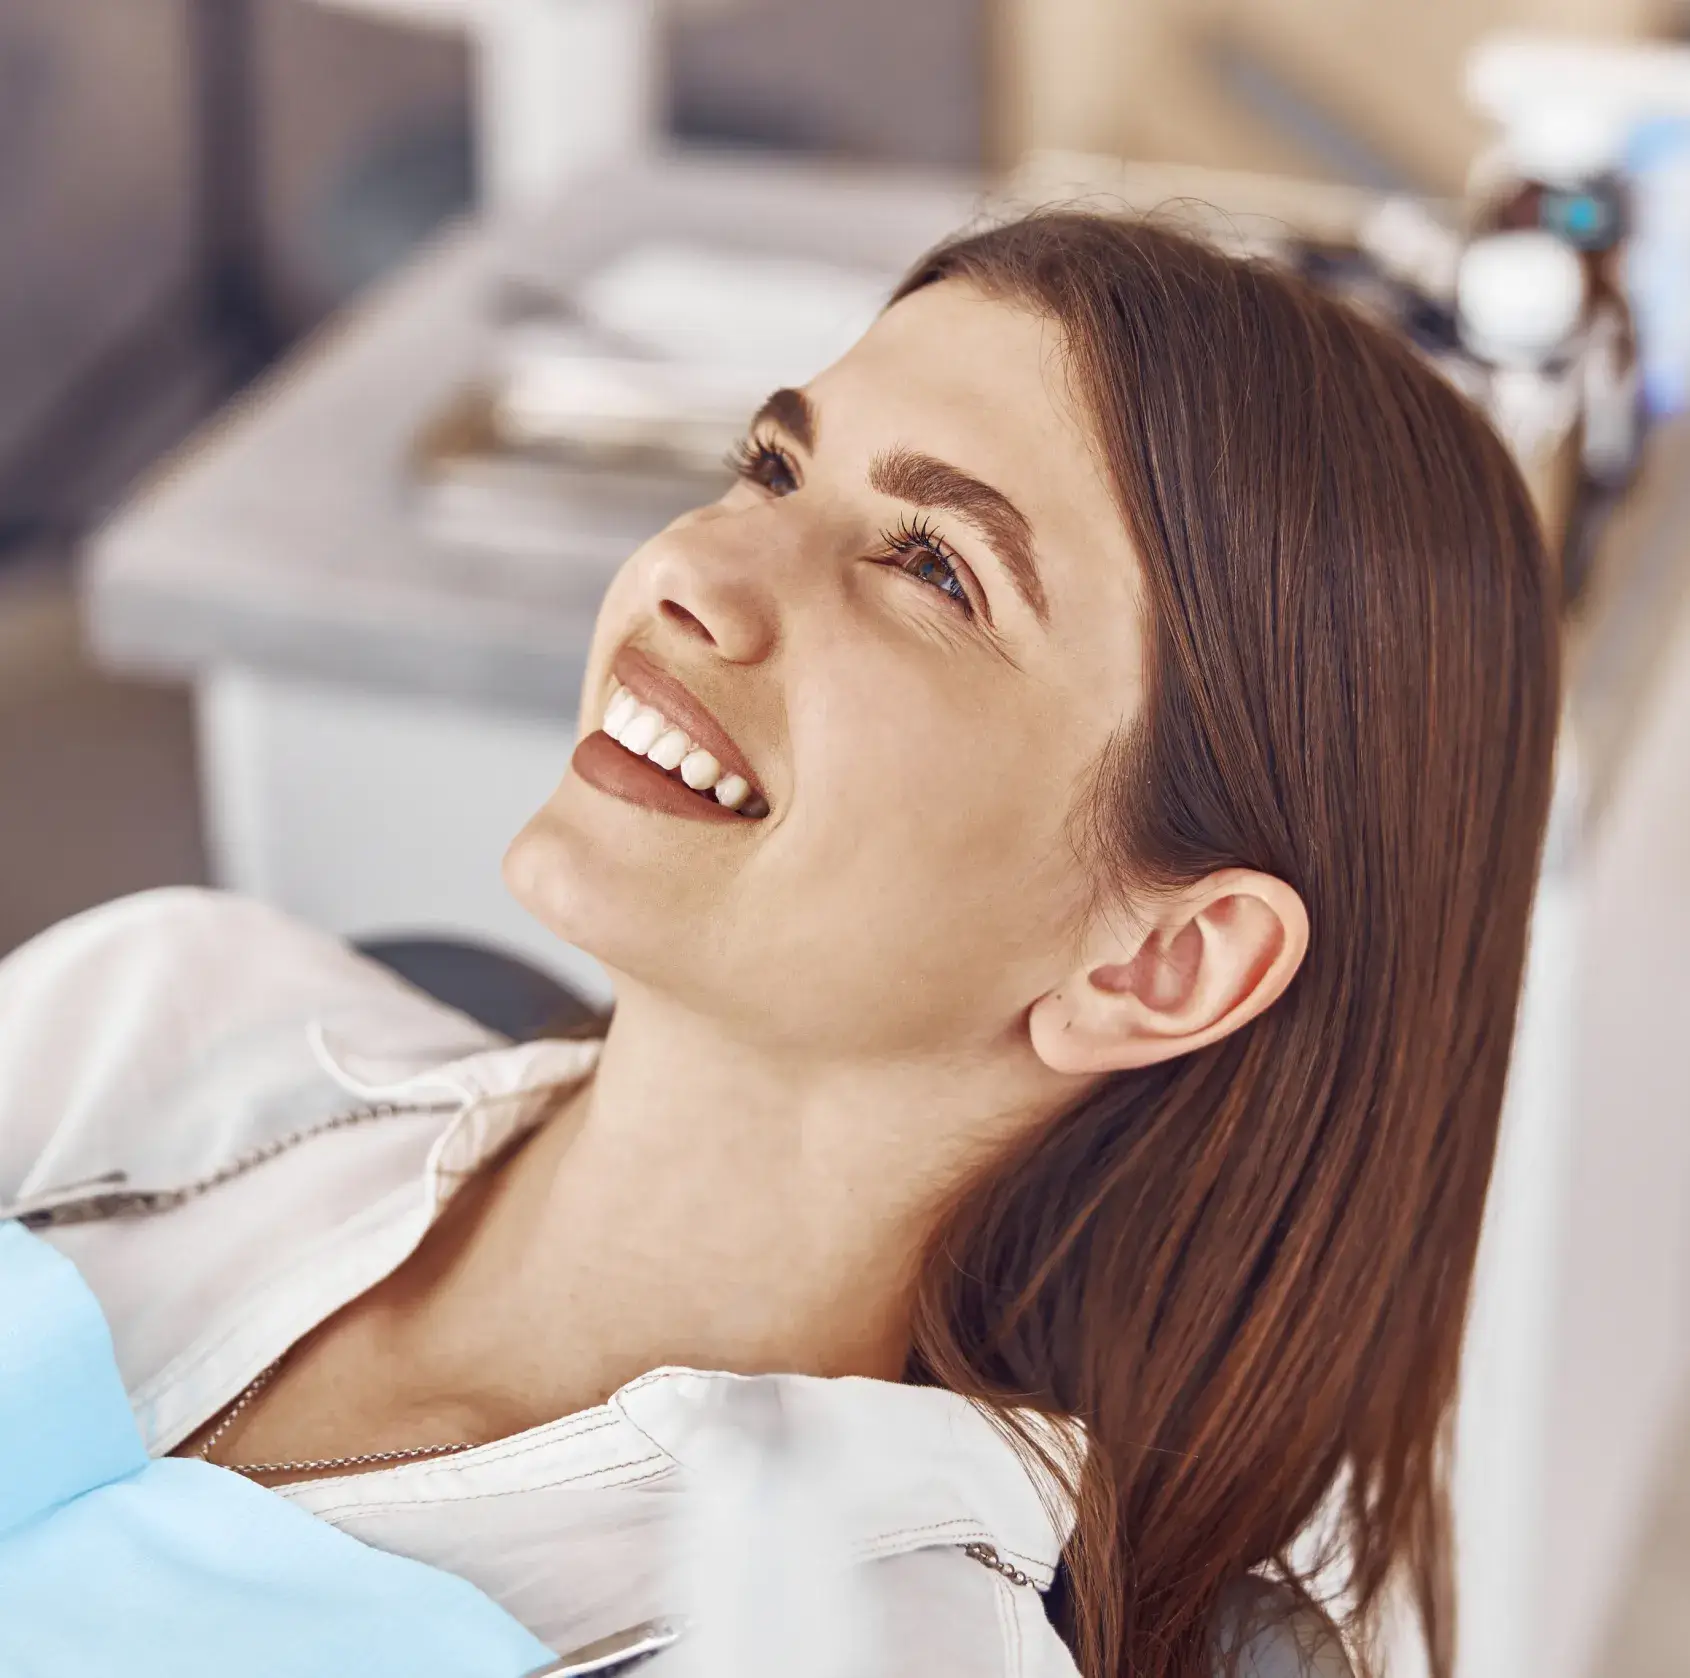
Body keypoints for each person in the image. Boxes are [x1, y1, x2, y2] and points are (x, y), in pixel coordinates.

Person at [0, 213, 1558, 1678]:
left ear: (1158, 963)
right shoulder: (160, 1017)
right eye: (768, 469)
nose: (691, 572)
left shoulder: (847, 1642)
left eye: (932, 566)